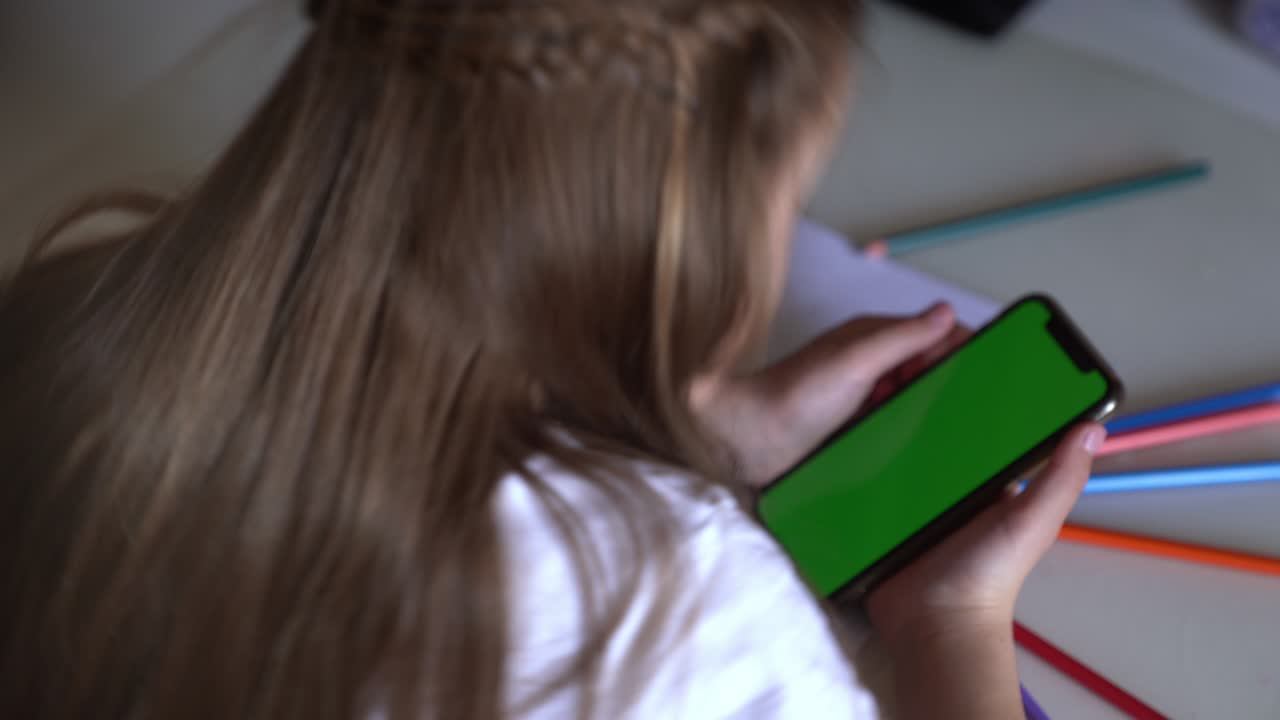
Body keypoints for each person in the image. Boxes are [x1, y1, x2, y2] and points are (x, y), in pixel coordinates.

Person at [0, 1, 1106, 718]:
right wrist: (950, 626)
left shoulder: (71, 318)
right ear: (677, 242)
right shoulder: (683, 620)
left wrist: (700, 442)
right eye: (788, 198)